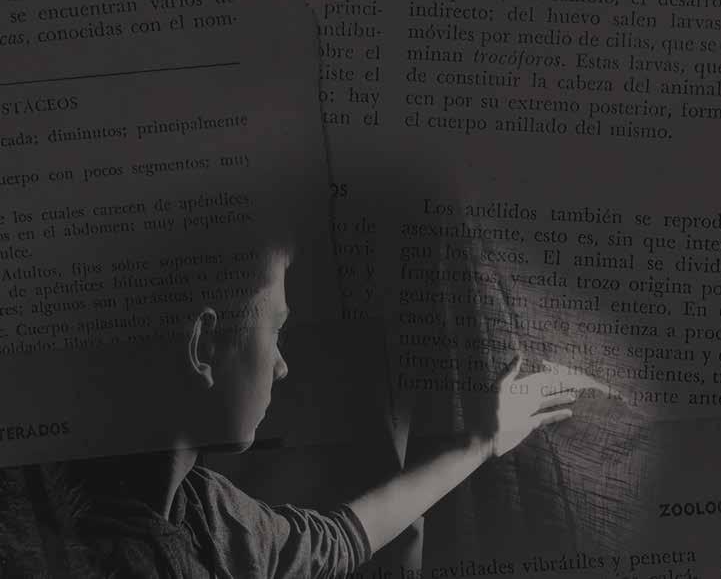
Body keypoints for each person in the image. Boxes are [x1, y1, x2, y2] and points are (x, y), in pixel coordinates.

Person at [1, 232, 577, 578]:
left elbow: (333, 542)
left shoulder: (206, 511)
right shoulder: (50, 539)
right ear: (204, 347)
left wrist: (481, 442)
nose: (281, 365)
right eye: (275, 330)